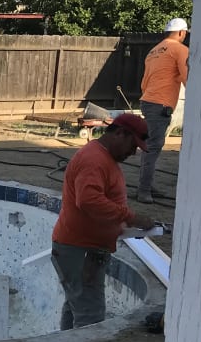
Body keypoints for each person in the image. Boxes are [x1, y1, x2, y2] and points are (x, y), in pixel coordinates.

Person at [51, 113, 155, 330]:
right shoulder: (94, 160)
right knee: (90, 315)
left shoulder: (101, 158)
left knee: (76, 305)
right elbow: (89, 200)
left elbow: (97, 204)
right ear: (120, 133)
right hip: (80, 250)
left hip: (80, 248)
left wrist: (119, 225)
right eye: (132, 145)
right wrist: (129, 216)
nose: (133, 152)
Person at [136, 17, 190, 204]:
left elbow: (145, 80)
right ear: (182, 33)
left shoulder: (153, 51)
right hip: (160, 104)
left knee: (149, 145)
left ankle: (147, 185)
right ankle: (143, 191)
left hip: (148, 100)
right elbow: (187, 76)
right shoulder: (180, 50)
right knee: (153, 147)